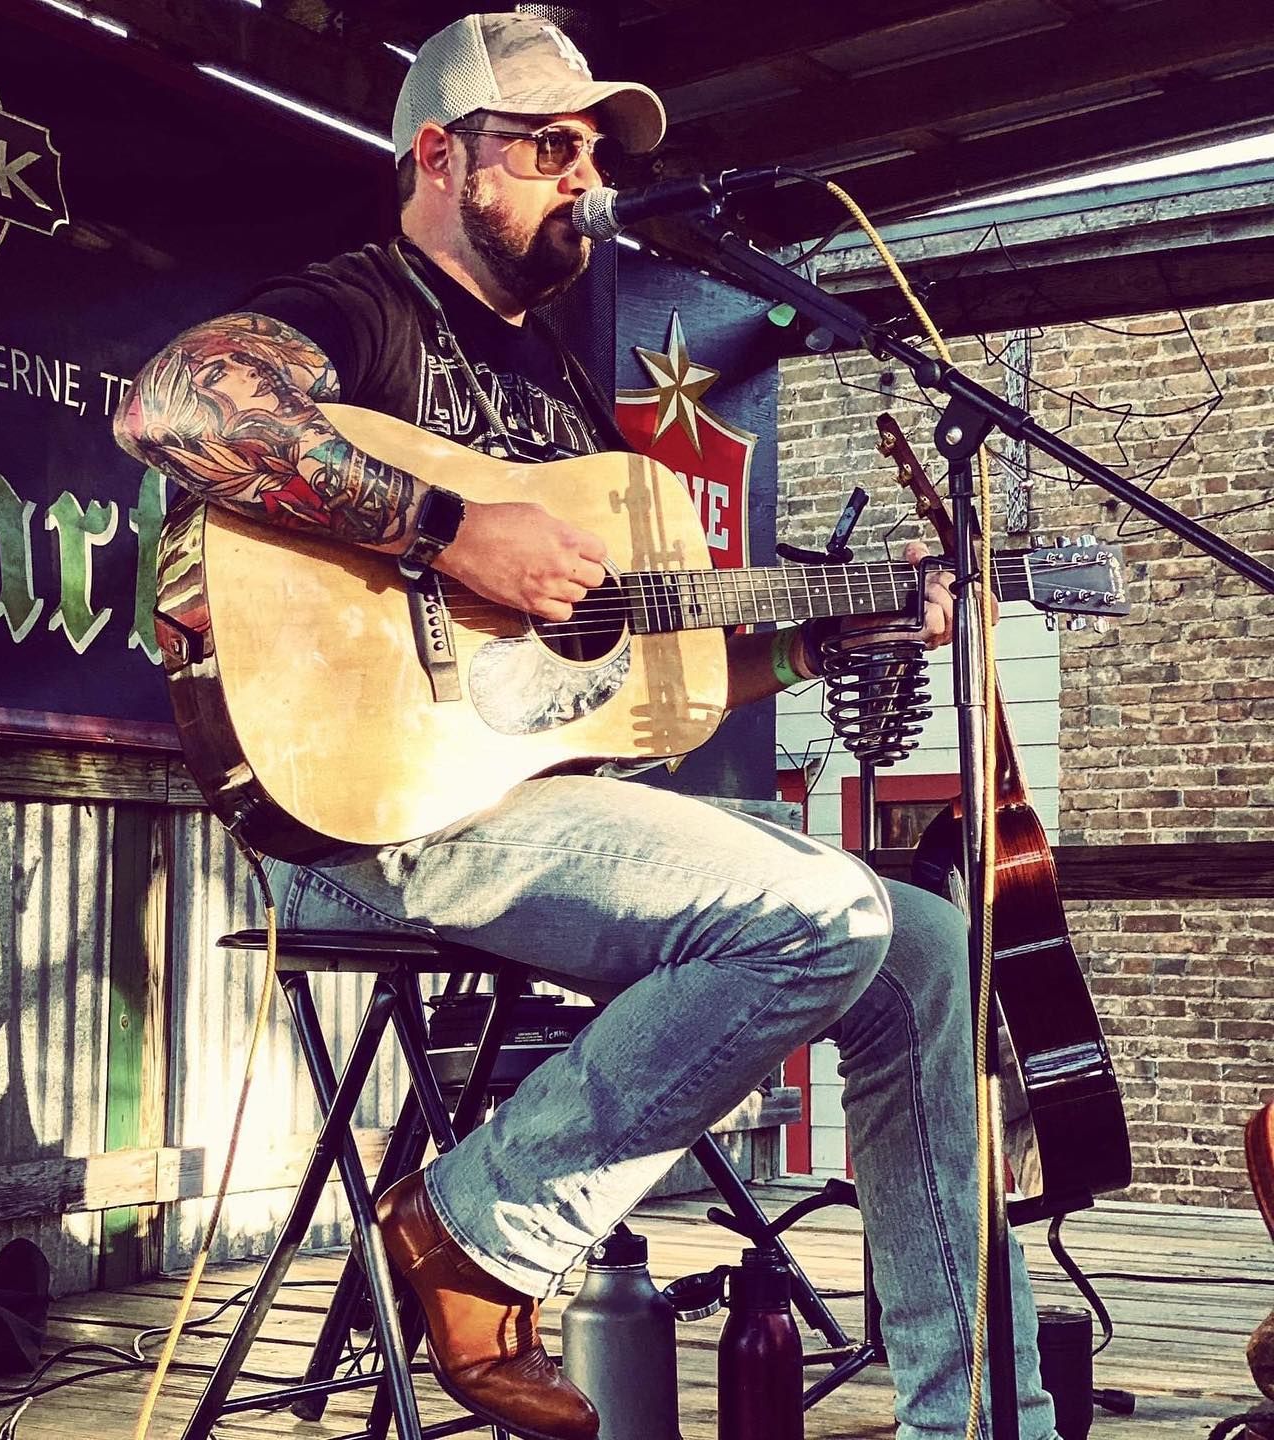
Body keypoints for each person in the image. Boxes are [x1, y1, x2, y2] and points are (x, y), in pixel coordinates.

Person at [114, 13, 1058, 1440]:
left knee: (923, 945)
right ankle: (478, 1225)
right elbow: (174, 406)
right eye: (549, 144)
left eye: (596, 153)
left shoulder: (554, 383)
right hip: (374, 821)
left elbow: (639, 679)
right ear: (441, 155)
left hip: (536, 804)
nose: (585, 174)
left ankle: (978, 1422)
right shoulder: (361, 306)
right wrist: (449, 531)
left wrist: (830, 632)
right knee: (819, 915)